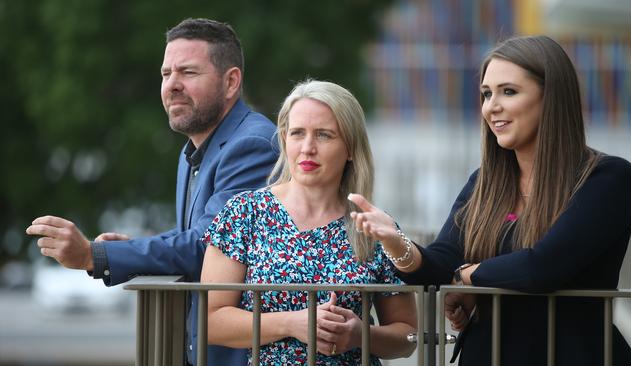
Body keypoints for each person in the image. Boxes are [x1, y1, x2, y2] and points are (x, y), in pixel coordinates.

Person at [347, 35, 631, 365]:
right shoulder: (484, 182)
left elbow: (542, 268)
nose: (491, 106)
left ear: (551, 98)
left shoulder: (606, 177)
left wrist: (467, 276)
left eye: (508, 91)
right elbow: (440, 265)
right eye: (486, 94)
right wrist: (396, 240)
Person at [25, 18, 278, 366]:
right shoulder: (194, 149)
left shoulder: (251, 145)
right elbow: (197, 235)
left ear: (231, 81)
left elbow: (207, 246)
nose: (172, 85)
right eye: (165, 74)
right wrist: (129, 247)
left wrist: (93, 256)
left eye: (188, 72)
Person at [200, 79, 417, 365]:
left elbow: (408, 337)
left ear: (351, 148)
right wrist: (291, 323)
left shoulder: (374, 227)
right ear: (284, 138)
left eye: (324, 135)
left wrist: (360, 335)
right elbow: (210, 321)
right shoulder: (244, 213)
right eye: (298, 133)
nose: (307, 147)